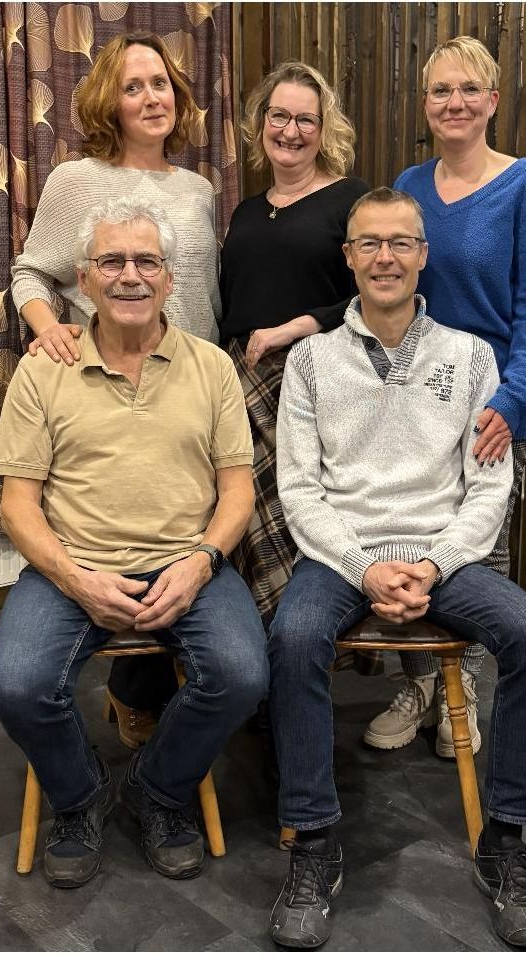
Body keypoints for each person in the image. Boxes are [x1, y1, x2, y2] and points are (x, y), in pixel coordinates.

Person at [267, 188, 526, 950]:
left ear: (423, 255)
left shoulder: (471, 356)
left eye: (401, 242)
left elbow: (488, 487)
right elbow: (299, 489)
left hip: (442, 554)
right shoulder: (310, 360)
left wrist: (432, 563)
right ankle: (315, 841)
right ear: (349, 256)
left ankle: (505, 841)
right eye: (370, 243)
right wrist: (366, 568)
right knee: (292, 637)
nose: (386, 257)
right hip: (342, 554)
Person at [0, 198, 268, 889]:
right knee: (17, 686)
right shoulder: (43, 369)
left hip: (187, 560)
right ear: (84, 279)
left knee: (242, 675)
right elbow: (17, 505)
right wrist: (75, 578)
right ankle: (80, 796)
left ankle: (157, 790)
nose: (130, 275)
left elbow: (238, 492)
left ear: (170, 278)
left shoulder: (211, 367)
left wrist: (202, 562)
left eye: (147, 261)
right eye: (111, 260)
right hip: (71, 565)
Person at [10, 31, 221, 747]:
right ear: (111, 100)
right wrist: (50, 331)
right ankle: (138, 695)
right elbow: (31, 272)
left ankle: (182, 688)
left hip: (190, 385)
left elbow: (202, 293)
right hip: (105, 384)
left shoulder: (198, 190)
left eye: (161, 84)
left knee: (182, 532)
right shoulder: (77, 181)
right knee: (119, 526)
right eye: (134, 86)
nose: (151, 97)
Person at [364, 36, 526, 757]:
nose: (455, 102)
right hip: (415, 402)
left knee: (476, 555)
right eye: (442, 90)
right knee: (406, 537)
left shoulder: (525, 184)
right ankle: (421, 683)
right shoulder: (409, 185)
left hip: (492, 407)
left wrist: (512, 399)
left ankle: (464, 687)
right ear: (425, 104)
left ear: (493, 101)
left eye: (469, 89)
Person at [219, 60, 370, 627]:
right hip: (240, 382)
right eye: (278, 116)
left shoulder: (352, 200)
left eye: (306, 119)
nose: (290, 131)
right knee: (241, 517)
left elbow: (378, 293)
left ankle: (305, 645)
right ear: (261, 122)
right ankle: (255, 655)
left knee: (298, 514)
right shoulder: (246, 211)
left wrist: (297, 326)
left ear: (324, 129)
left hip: (313, 376)